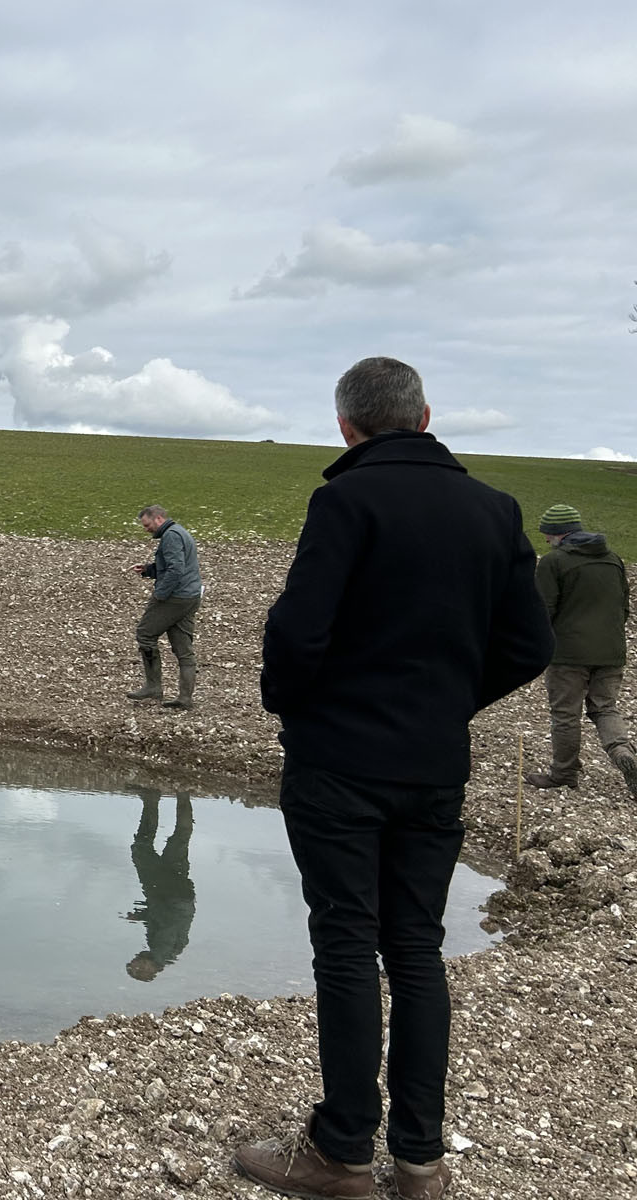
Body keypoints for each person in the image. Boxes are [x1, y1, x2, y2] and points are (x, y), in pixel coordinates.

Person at [239, 358, 552, 1199]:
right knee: (415, 947)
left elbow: (298, 633)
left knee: (345, 942)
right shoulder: (496, 508)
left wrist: (295, 706)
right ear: (425, 415)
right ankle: (420, 1159)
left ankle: (342, 1151)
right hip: (434, 762)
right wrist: (446, 701)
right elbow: (529, 646)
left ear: (347, 427)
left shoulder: (345, 499)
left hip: (339, 761)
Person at [523, 502, 637, 797]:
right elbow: (624, 608)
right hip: (611, 651)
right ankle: (624, 754)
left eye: (548, 534)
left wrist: (533, 646)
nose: (546, 540)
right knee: (605, 708)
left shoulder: (553, 562)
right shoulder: (613, 559)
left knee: (565, 714)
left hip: (569, 654)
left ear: (559, 534)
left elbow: (542, 611)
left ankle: (563, 773)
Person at [125, 505, 203, 709]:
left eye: (147, 525)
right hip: (191, 595)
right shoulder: (180, 532)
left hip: (175, 597)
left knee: (145, 634)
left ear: (158, 519)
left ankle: (153, 687)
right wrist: (149, 569)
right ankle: (185, 699)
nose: (146, 529)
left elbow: (176, 570)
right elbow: (174, 566)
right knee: (183, 648)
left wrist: (160, 595)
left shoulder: (171, 536)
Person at [123, 789, 195, 982]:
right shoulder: (161, 950)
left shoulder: (163, 953)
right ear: (148, 970)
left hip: (180, 894)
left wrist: (142, 916)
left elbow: (165, 921)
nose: (134, 960)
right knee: (140, 849)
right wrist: (149, 910)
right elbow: (168, 921)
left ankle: (183, 795)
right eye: (135, 966)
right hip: (168, 893)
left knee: (179, 840)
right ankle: (151, 799)